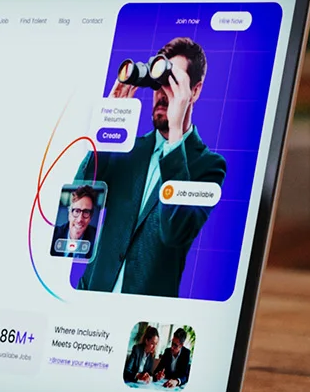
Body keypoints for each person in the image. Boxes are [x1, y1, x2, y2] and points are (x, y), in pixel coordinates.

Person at [75, 36, 226, 297]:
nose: (161, 94)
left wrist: (176, 133)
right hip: (90, 299)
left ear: (196, 91)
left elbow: (175, 232)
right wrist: (108, 122)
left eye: (173, 83)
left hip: (143, 314)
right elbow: (79, 193)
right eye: (158, 84)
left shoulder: (209, 166)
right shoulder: (129, 150)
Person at [54, 185, 101, 257]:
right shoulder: (54, 234)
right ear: (69, 213)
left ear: (90, 217)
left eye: (86, 212)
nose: (80, 219)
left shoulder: (98, 240)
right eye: (76, 211)